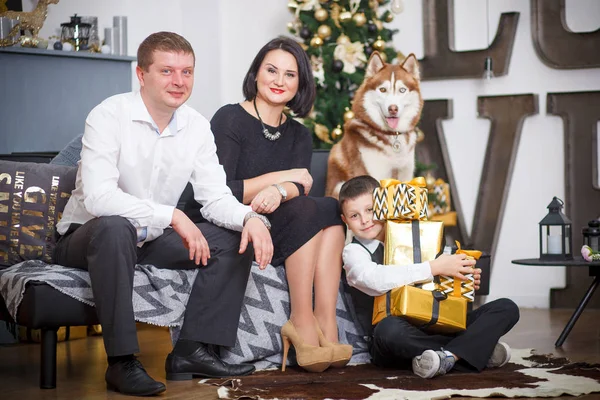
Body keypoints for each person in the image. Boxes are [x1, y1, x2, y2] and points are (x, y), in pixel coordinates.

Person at [54, 32, 273, 396]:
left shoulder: (197, 127)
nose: (179, 81)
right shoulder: (108, 115)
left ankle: (192, 350)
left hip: (149, 239)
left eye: (187, 72)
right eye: (167, 71)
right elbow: (98, 198)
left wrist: (252, 219)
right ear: (142, 75)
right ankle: (121, 362)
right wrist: (172, 215)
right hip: (88, 235)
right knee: (114, 227)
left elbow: (215, 196)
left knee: (236, 237)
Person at [211, 37, 351, 373]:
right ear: (256, 74)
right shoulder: (229, 119)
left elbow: (298, 187)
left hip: (280, 216)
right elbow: (221, 190)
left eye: (290, 75)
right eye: (271, 70)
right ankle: (300, 321)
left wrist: (280, 189)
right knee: (305, 209)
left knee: (332, 209)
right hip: (233, 218)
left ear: (300, 84)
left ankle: (325, 320)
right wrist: (282, 178)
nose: (279, 81)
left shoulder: (300, 135)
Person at [339, 175, 520, 379]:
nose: (364, 220)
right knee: (388, 330)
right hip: (396, 337)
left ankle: (448, 356)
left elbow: (441, 287)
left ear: (384, 204)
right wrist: (434, 267)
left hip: (437, 327)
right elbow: (373, 280)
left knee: (506, 307)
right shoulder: (354, 252)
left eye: (370, 210)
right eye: (354, 215)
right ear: (345, 220)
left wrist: (461, 280)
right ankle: (473, 351)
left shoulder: (417, 236)